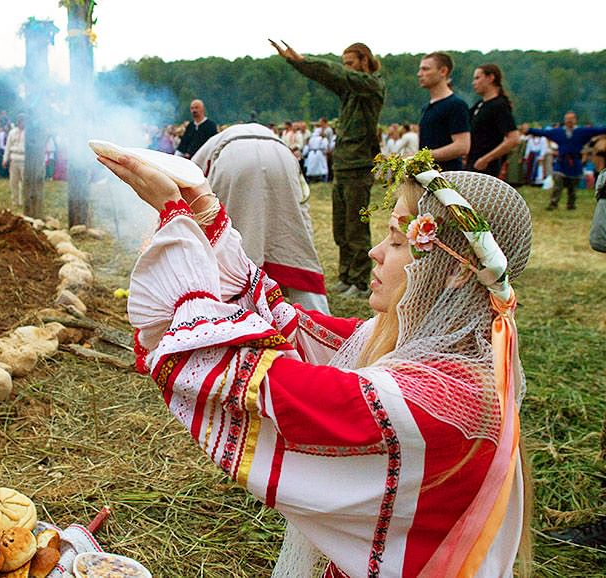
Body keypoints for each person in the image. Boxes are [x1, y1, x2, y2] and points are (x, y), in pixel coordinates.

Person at [97, 149, 533, 577]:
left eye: (399, 240)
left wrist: (176, 221)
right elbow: (292, 328)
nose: (375, 252)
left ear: (457, 271)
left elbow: (257, 381)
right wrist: (206, 219)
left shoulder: (444, 399)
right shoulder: (422, 348)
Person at [272, 40, 385, 298]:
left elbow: (337, 74)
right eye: (345, 63)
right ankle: (346, 275)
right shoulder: (350, 91)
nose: (347, 68)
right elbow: (327, 77)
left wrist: (304, 60)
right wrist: (297, 64)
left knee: (356, 227)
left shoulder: (371, 86)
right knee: (341, 226)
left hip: (358, 165)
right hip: (344, 164)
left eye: (351, 63)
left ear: (365, 61)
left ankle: (360, 281)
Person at [192, 123, 330, 314]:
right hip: (282, 158)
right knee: (295, 248)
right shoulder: (268, 139)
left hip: (233, 160)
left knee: (235, 244)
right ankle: (318, 315)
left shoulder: (205, 151)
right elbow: (302, 204)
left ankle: (239, 314)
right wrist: (306, 239)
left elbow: (192, 197)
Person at [528, 112, 606, 210]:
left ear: (575, 120)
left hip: (575, 162)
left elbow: (598, 130)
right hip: (561, 162)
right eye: (567, 119)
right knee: (558, 181)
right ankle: (553, 203)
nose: (569, 121)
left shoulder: (582, 131)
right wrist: (529, 130)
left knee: (572, 186)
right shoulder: (559, 132)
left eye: (571, 119)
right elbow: (544, 132)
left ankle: (571, 204)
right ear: (564, 120)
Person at [417, 52, 470, 171]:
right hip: (428, 175)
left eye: (425, 69)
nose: (419, 74)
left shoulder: (456, 105)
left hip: (448, 177)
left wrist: (421, 156)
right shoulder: (426, 107)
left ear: (443, 71)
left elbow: (462, 146)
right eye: (420, 69)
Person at [466, 64, 519, 177]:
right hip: (472, 164)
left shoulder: (499, 105)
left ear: (490, 78)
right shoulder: (479, 105)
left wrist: (486, 159)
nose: (474, 83)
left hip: (486, 169)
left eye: (477, 78)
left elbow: (513, 139)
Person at [3, 115, 26, 206]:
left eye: (23, 120)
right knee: (13, 181)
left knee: (24, 182)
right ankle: (14, 201)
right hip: (14, 158)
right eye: (19, 120)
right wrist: (5, 159)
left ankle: (23, 201)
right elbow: (8, 146)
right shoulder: (12, 132)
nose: (21, 122)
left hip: (24, 158)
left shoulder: (28, 133)